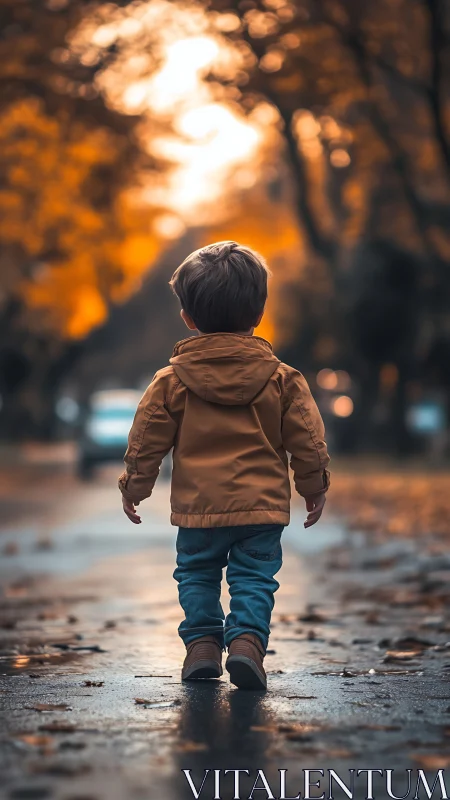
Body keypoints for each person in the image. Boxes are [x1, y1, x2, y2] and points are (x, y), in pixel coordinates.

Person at [119, 241, 330, 690]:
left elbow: (146, 439)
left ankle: (201, 646)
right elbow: (307, 440)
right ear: (258, 313)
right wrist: (313, 484)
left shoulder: (170, 381)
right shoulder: (282, 379)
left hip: (199, 510)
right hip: (261, 510)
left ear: (188, 318)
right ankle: (247, 645)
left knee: (196, 573)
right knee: (254, 577)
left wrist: (134, 486)